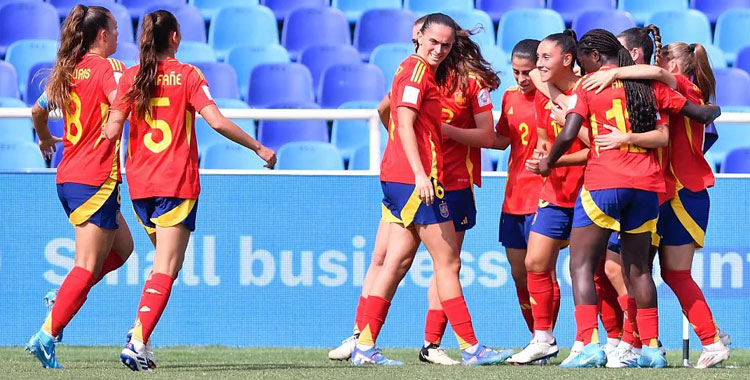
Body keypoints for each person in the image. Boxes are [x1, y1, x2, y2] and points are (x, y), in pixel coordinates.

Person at [102, 10, 275, 372]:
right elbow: (216, 121)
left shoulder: (132, 77)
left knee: (167, 265)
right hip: (176, 183)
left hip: (141, 187)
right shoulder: (187, 75)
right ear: (175, 38)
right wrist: (258, 148)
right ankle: (136, 342)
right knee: (167, 266)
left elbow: (112, 127)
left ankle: (139, 333)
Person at [539, 28, 719, 369]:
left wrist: (550, 161)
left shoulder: (589, 86)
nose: (580, 68)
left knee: (581, 264)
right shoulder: (648, 86)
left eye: (581, 60)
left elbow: (568, 132)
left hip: (605, 183)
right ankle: (650, 348)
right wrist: (713, 109)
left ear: (594, 57)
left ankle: (588, 343)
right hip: (648, 186)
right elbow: (695, 117)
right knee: (639, 270)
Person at [350, 13, 510, 366]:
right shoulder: (418, 71)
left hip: (407, 178)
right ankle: (471, 348)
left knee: (397, 261)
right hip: (417, 182)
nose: (439, 49)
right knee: (447, 262)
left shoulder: (411, 69)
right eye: (434, 42)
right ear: (417, 36)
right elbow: (403, 122)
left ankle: (364, 345)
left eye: (446, 45)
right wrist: (421, 174)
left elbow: (397, 118)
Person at [25, 5, 134, 369]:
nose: (119, 34)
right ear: (102, 35)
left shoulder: (69, 71)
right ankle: (46, 335)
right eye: (116, 29)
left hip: (68, 175)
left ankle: (63, 297)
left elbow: (37, 112)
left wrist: (44, 141)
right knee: (86, 265)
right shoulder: (106, 69)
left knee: (123, 248)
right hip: (96, 179)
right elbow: (123, 99)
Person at [507, 30, 590, 365]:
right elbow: (545, 139)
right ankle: (543, 338)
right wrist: (543, 156)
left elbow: (598, 148)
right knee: (534, 264)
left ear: (567, 60)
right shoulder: (545, 98)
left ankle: (601, 341)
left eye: (544, 58)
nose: (536, 65)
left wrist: (553, 160)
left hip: (588, 192)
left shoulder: (587, 92)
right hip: (554, 192)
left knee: (596, 271)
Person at [493, 39, 544, 338]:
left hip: (545, 197)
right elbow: (501, 139)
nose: (522, 79)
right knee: (519, 274)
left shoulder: (556, 98)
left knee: (541, 271)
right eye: (516, 73)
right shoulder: (510, 98)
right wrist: (456, 133)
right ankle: (535, 337)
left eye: (528, 72)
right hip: (514, 197)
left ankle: (545, 337)